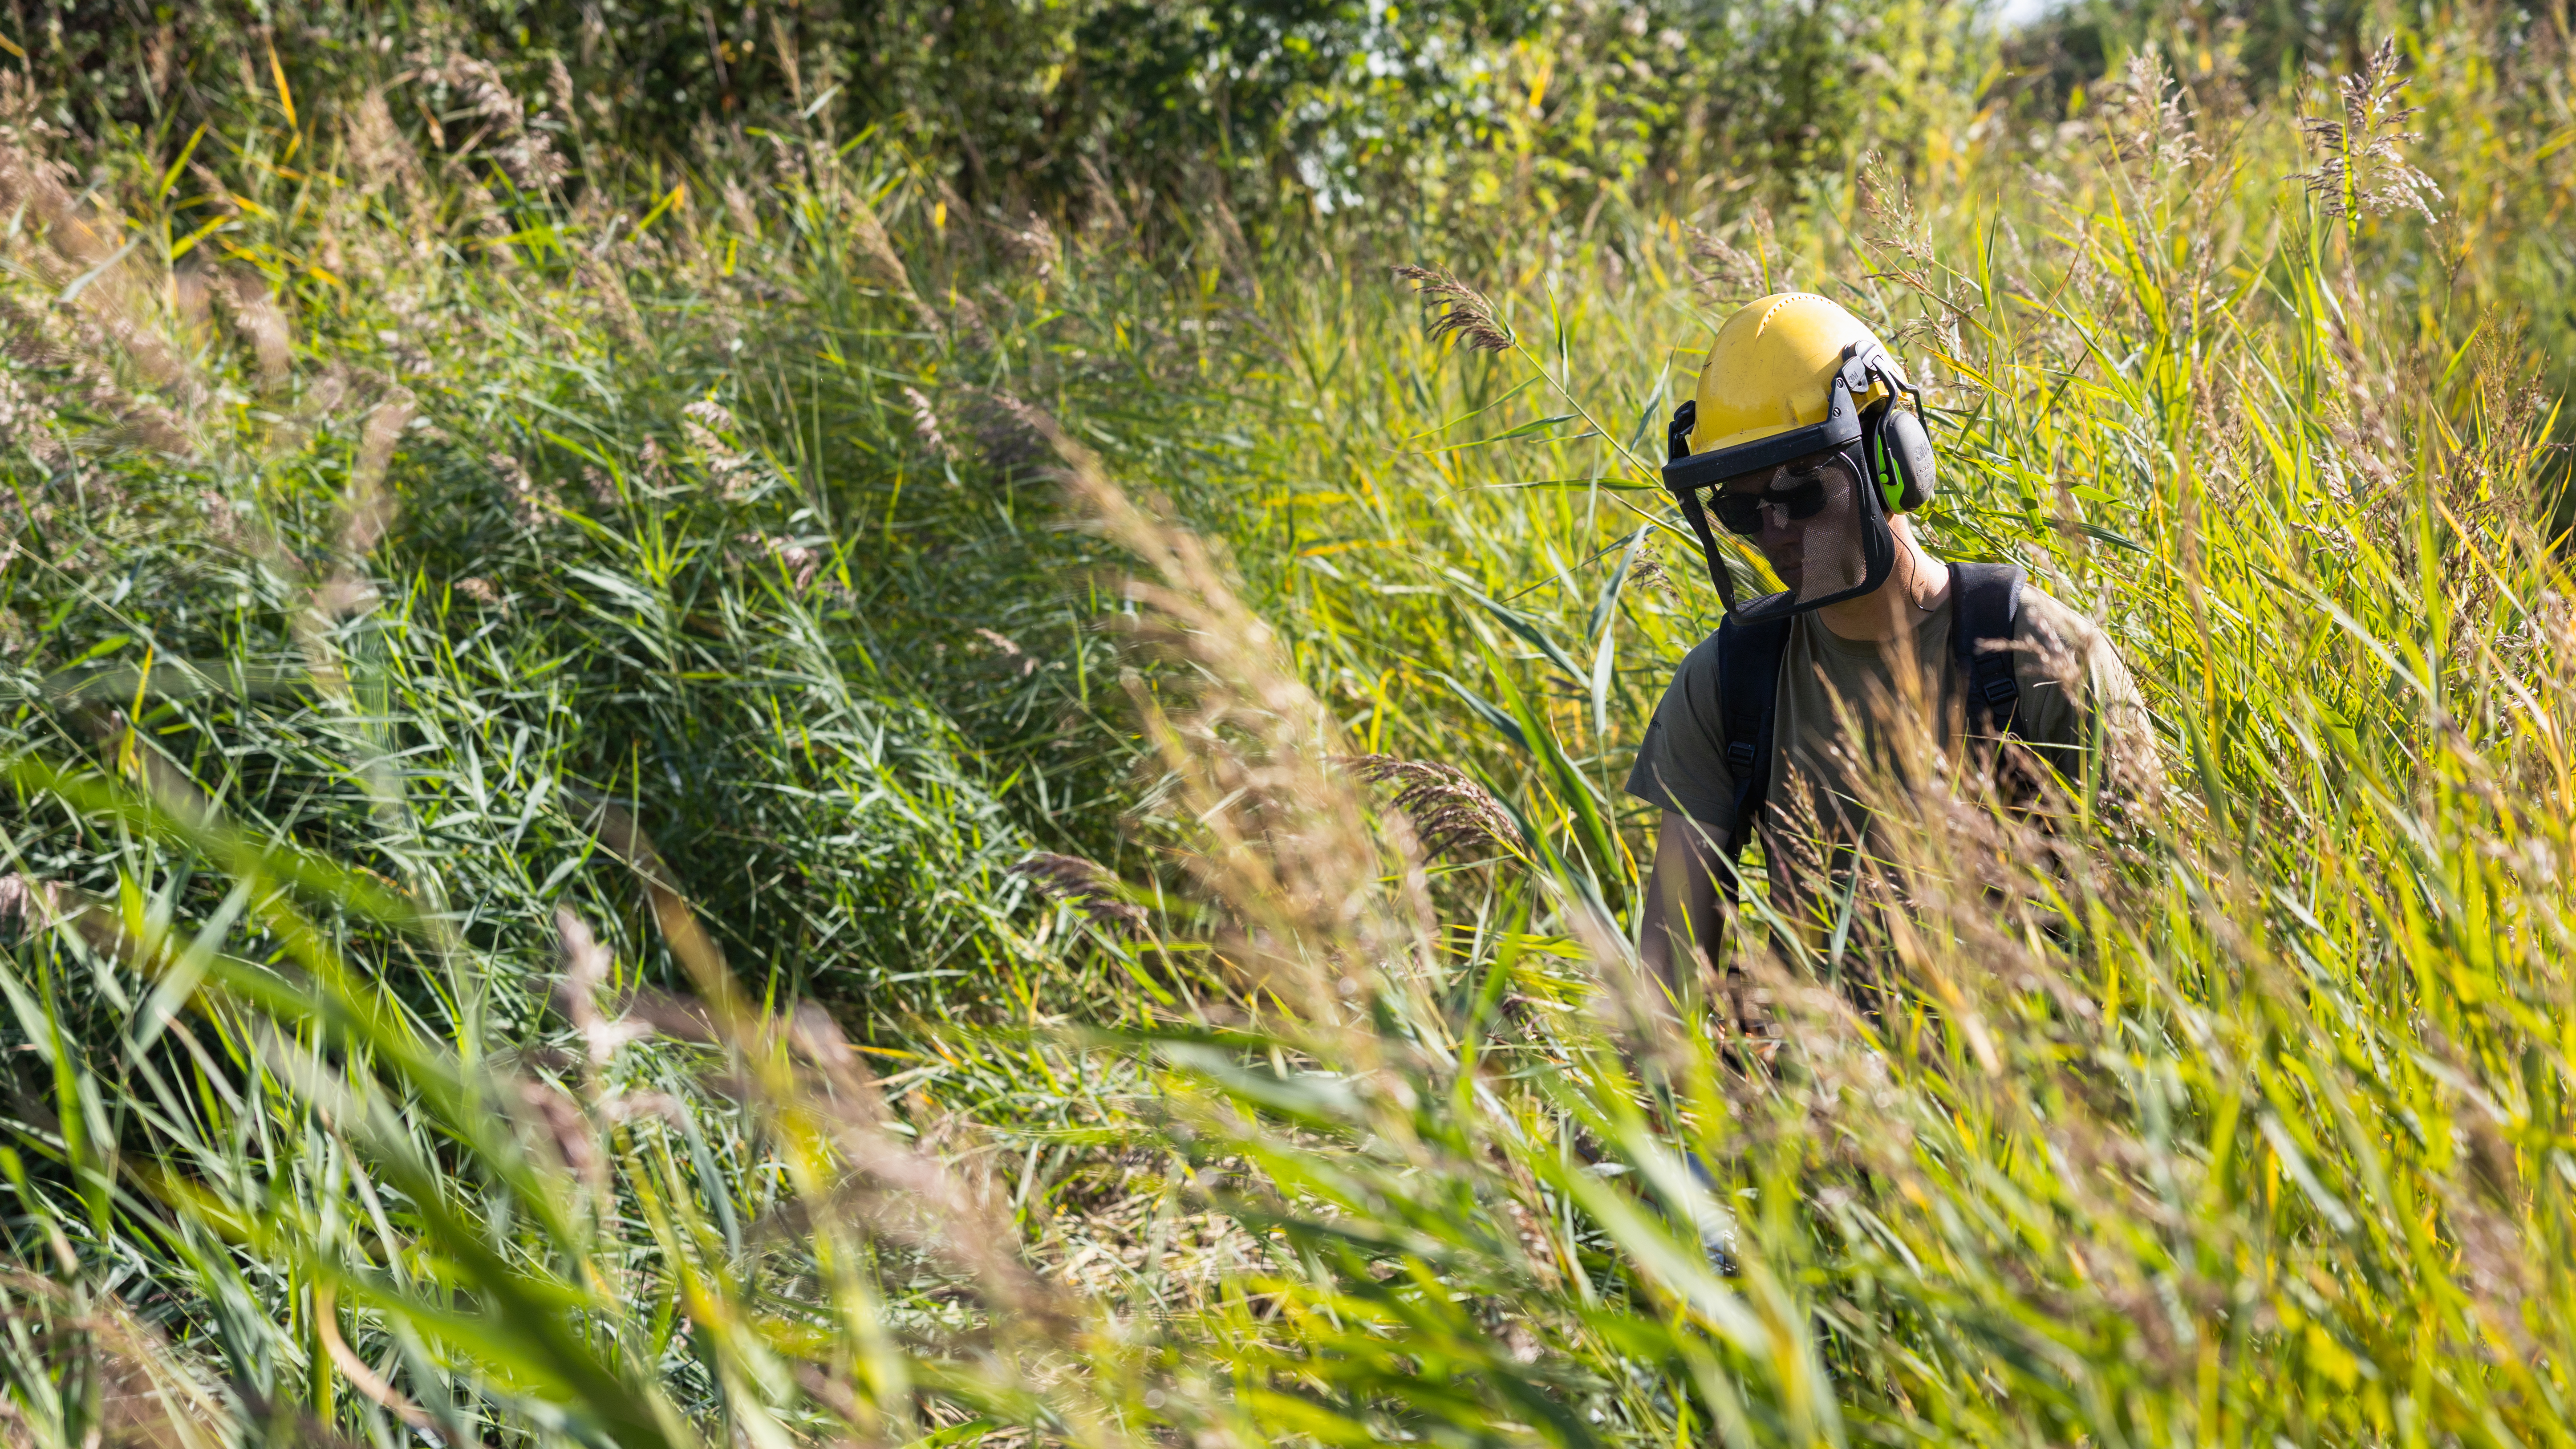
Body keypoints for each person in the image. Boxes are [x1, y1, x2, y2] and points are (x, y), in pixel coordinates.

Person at [1627, 292, 2152, 998]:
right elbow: (1666, 977)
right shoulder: (1729, 683)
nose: (1775, 528)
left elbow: (2151, 932)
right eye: (1742, 507)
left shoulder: (2043, 658)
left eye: (1802, 487)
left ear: (1889, 460)